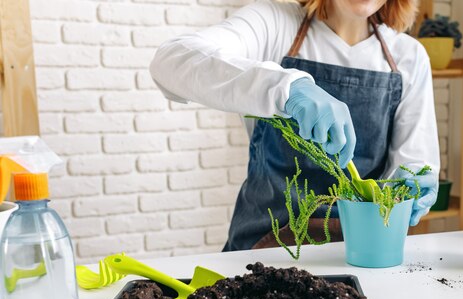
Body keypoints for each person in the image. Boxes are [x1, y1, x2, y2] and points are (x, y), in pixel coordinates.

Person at [150, 0, 440, 251]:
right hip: (261, 249)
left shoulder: (408, 57)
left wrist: (410, 185)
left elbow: (415, 161)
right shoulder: (275, 24)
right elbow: (171, 61)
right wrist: (287, 89)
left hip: (357, 252)